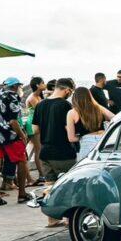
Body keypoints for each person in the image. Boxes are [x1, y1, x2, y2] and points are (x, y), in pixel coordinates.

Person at [32, 78, 76, 227]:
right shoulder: (65, 105)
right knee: (69, 185)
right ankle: (69, 218)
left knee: (49, 186)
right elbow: (68, 129)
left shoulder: (40, 104)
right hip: (63, 151)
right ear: (67, 90)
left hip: (45, 152)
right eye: (71, 92)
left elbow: (35, 130)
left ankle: (51, 219)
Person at [0, 77, 31, 207]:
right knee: (21, 161)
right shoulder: (13, 97)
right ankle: (22, 194)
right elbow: (13, 121)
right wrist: (22, 135)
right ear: (16, 86)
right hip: (10, 136)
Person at [68, 87, 115, 161]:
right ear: (90, 96)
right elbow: (114, 118)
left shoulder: (72, 112)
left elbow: (71, 138)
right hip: (103, 141)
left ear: (75, 97)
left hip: (87, 143)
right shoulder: (98, 107)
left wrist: (83, 137)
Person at [24, 77, 48, 185]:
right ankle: (42, 175)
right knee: (38, 150)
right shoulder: (33, 97)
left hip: (38, 123)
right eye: (43, 83)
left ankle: (43, 174)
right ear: (37, 85)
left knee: (40, 149)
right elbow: (41, 112)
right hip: (33, 124)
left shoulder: (39, 96)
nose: (45, 84)